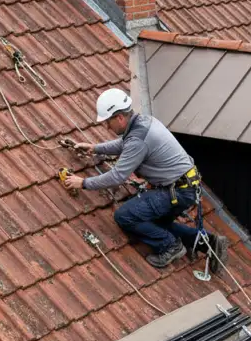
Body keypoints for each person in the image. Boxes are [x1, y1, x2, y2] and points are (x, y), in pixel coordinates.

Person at [62, 88, 229, 269]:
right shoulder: (143, 122)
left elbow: (118, 175)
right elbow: (125, 145)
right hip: (185, 187)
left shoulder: (137, 139)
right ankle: (209, 243)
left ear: (119, 117)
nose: (107, 127)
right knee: (154, 223)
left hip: (176, 191)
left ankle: (170, 246)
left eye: (108, 122)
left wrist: (84, 183)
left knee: (125, 216)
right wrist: (95, 148)